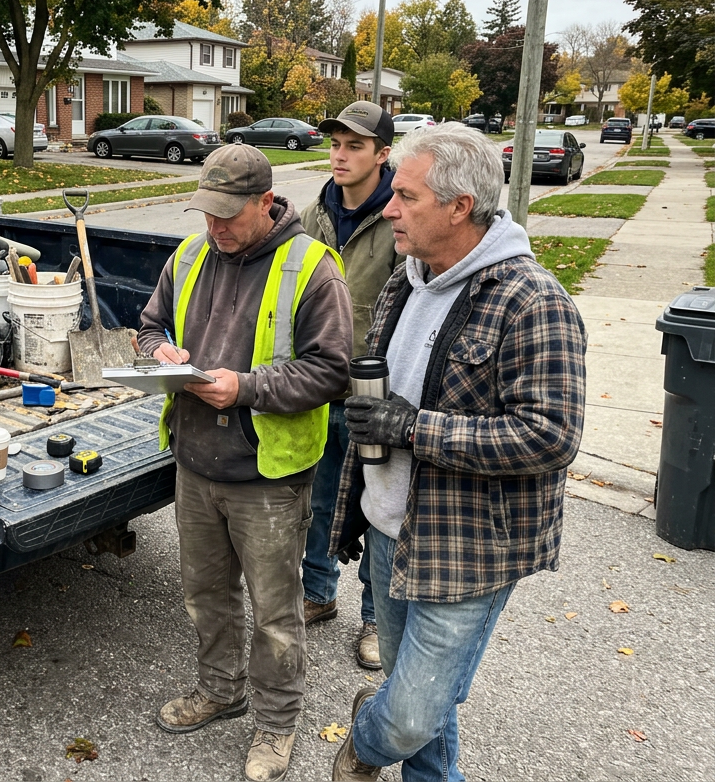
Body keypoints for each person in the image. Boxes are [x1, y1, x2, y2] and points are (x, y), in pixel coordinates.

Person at [328, 124, 586, 782]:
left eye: (405, 197)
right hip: (388, 528)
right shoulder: (406, 283)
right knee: (422, 697)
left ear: (459, 206)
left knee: (412, 711)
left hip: (469, 548)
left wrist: (416, 428)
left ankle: (366, 737)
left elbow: (551, 435)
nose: (388, 208)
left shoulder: (533, 302)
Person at [139, 143, 353, 782]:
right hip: (196, 462)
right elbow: (148, 326)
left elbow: (332, 370)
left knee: (276, 610)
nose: (216, 226)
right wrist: (161, 355)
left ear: (267, 203)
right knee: (206, 594)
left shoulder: (313, 268)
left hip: (268, 474)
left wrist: (248, 387)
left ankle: (277, 723)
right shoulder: (190, 254)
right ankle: (221, 689)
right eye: (207, 213)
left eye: (229, 215)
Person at [298, 101, 401, 671]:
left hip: (373, 390)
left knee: (373, 503)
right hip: (318, 382)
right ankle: (317, 592)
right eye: (335, 142)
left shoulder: (398, 217)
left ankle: (373, 616)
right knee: (317, 497)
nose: (340, 154)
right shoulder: (316, 212)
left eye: (355, 145)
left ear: (383, 155)